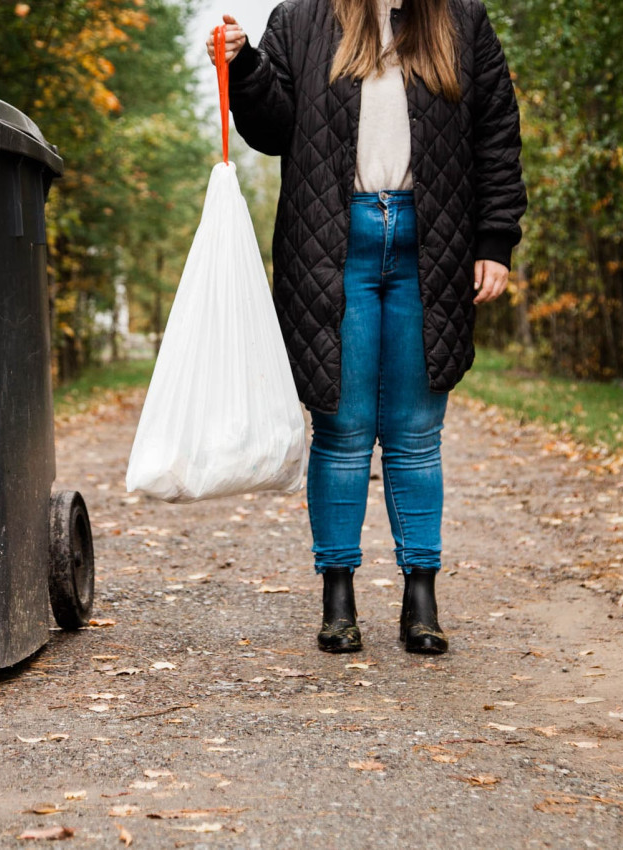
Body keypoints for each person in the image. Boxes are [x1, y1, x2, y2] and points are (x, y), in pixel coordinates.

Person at [207, 0, 525, 654]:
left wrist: (495, 239)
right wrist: (245, 67)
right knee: (342, 428)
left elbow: (496, 131)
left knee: (416, 433)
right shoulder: (302, 20)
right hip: (330, 245)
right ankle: (338, 596)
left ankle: (421, 599)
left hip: (432, 245)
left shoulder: (461, 20)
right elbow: (272, 130)